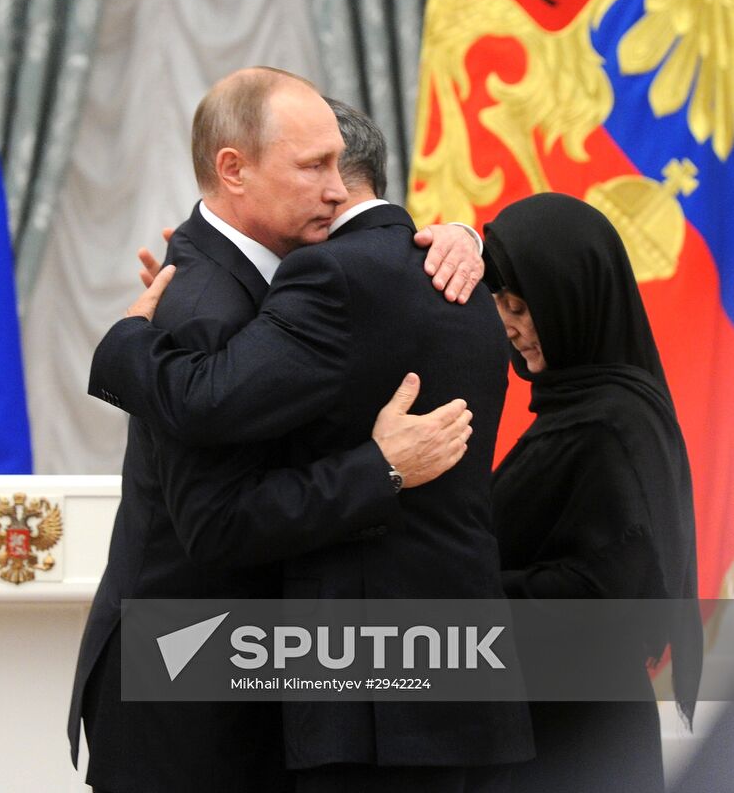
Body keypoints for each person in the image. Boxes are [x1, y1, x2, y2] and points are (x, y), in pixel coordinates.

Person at [88, 98, 535, 792]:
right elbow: (214, 502)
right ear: (236, 170)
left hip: (321, 691)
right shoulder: (213, 299)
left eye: (335, 164)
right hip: (186, 687)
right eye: (312, 166)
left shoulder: (321, 279)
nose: (332, 187)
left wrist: (465, 239)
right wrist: (380, 467)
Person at [482, 192, 703, 793]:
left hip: (575, 741)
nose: (510, 325)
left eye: (523, 306)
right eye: (499, 303)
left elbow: (600, 595)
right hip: (573, 725)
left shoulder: (605, 424)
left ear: (572, 296)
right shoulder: (594, 406)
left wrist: (461, 586)